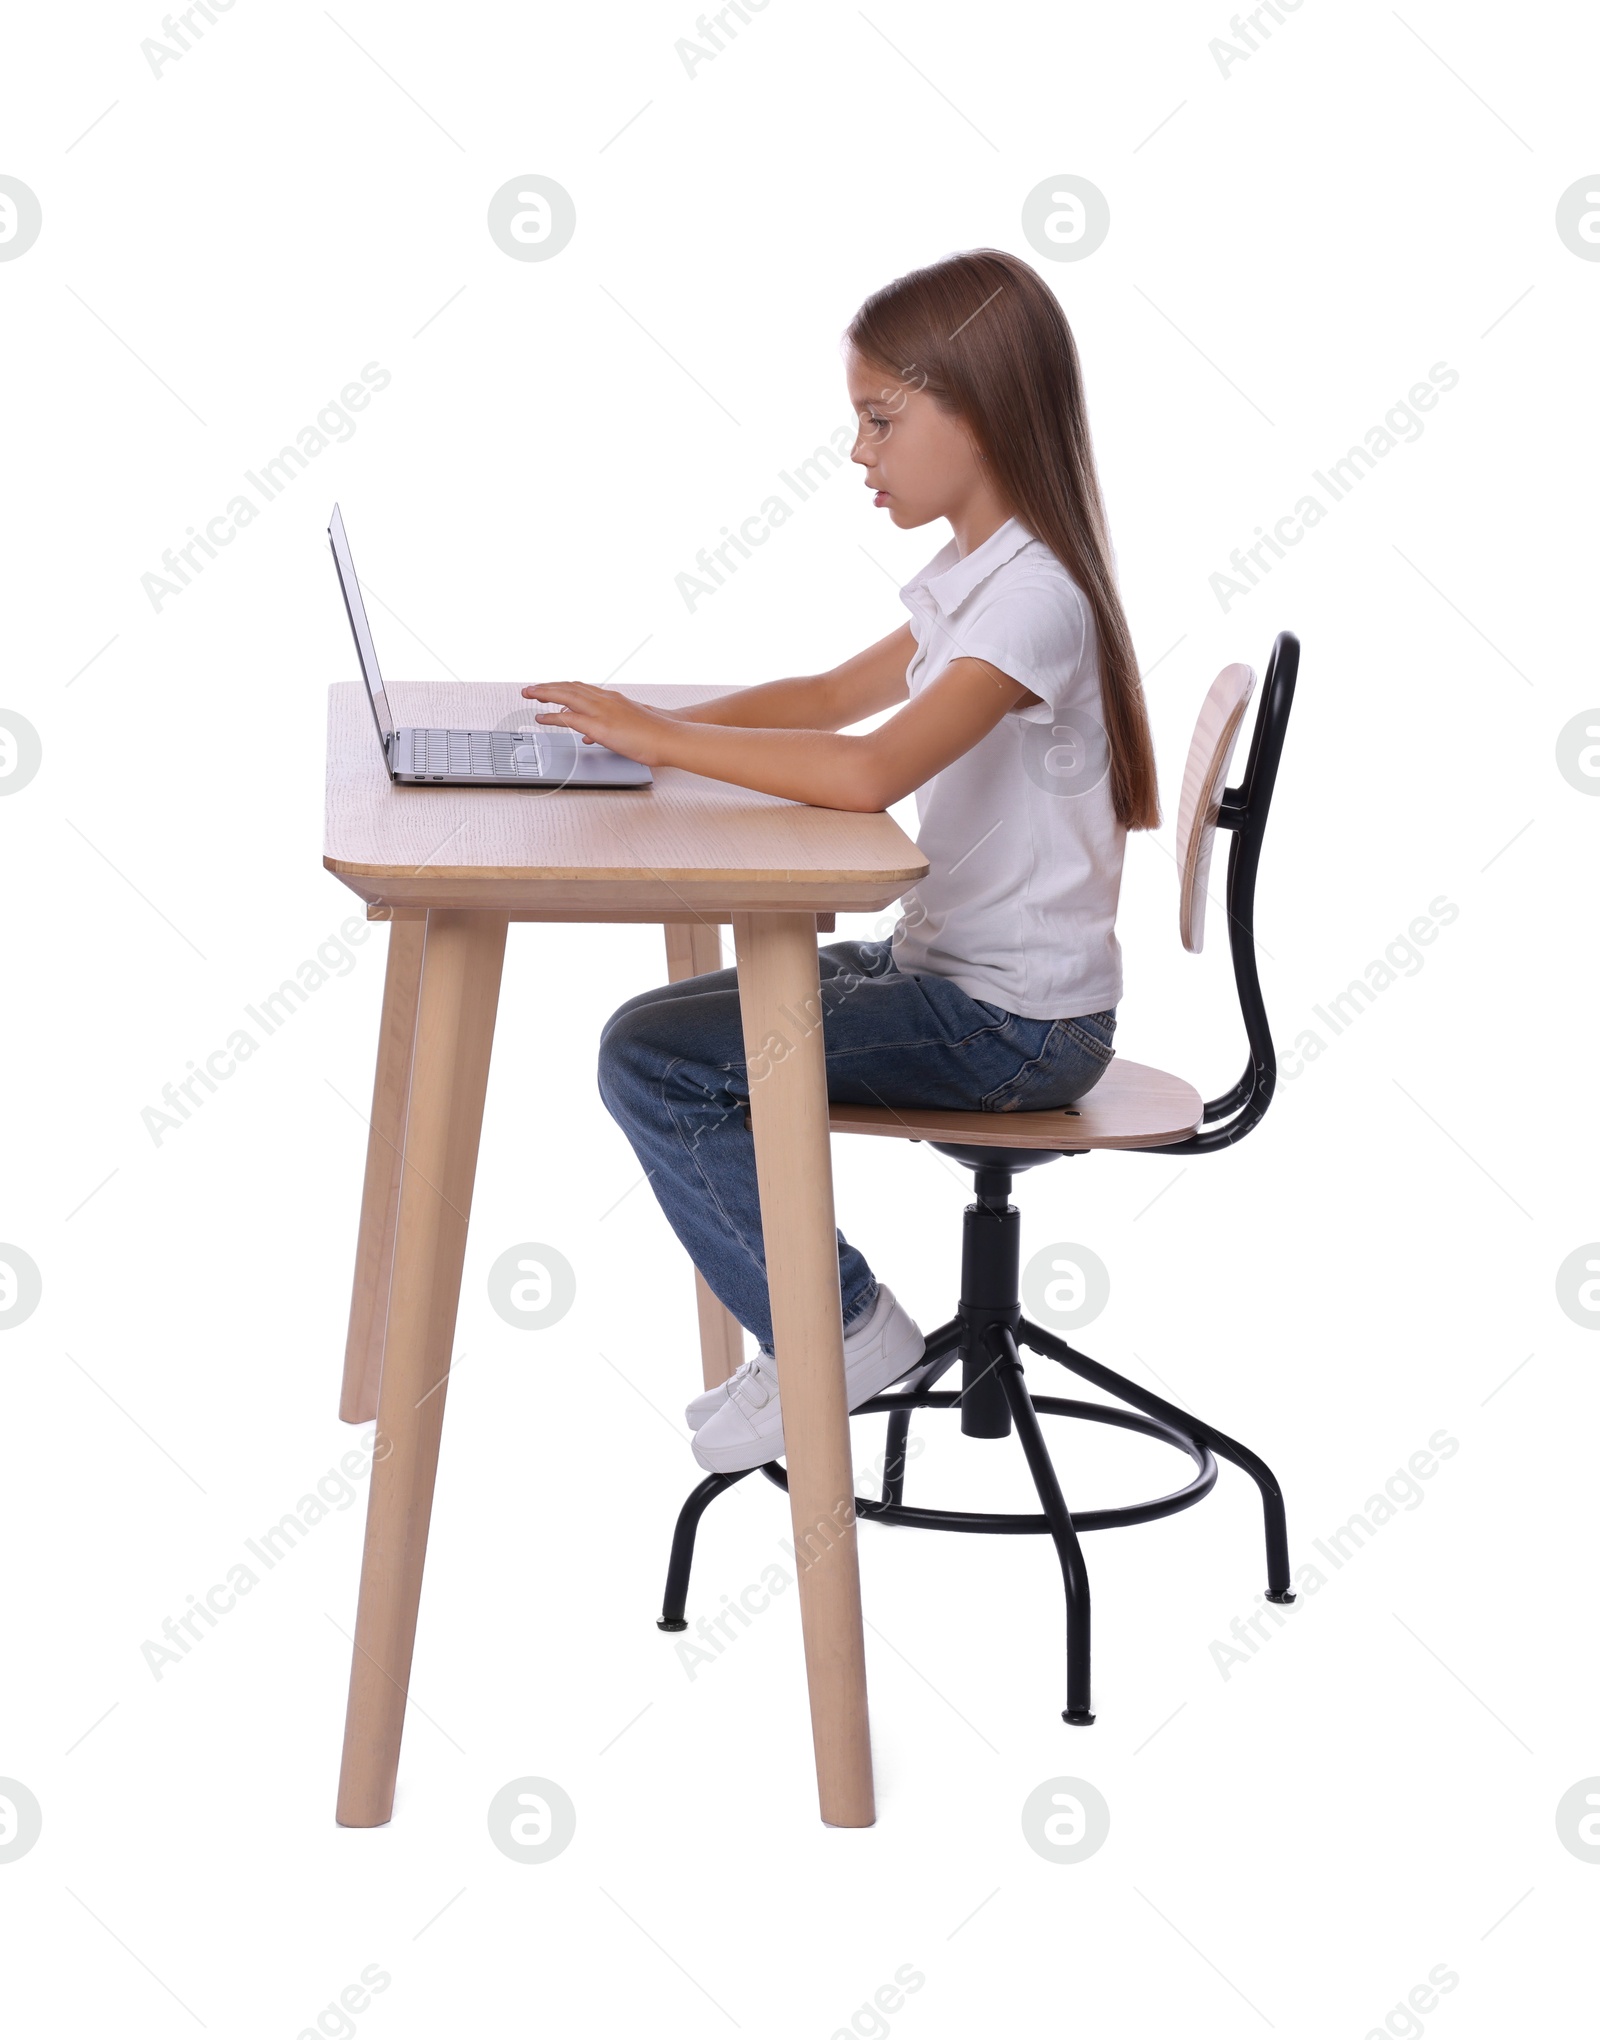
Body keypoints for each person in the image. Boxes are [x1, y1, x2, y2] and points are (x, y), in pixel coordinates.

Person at [522, 247, 1160, 1476]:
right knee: (664, 1040)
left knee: (654, 1062)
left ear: (977, 412)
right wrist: (649, 738)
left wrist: (659, 740)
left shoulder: (1033, 602)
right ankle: (821, 1327)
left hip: (1012, 1029)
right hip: (964, 984)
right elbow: (824, 697)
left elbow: (866, 770)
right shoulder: (983, 577)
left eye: (880, 420)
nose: (859, 454)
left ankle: (838, 1331)